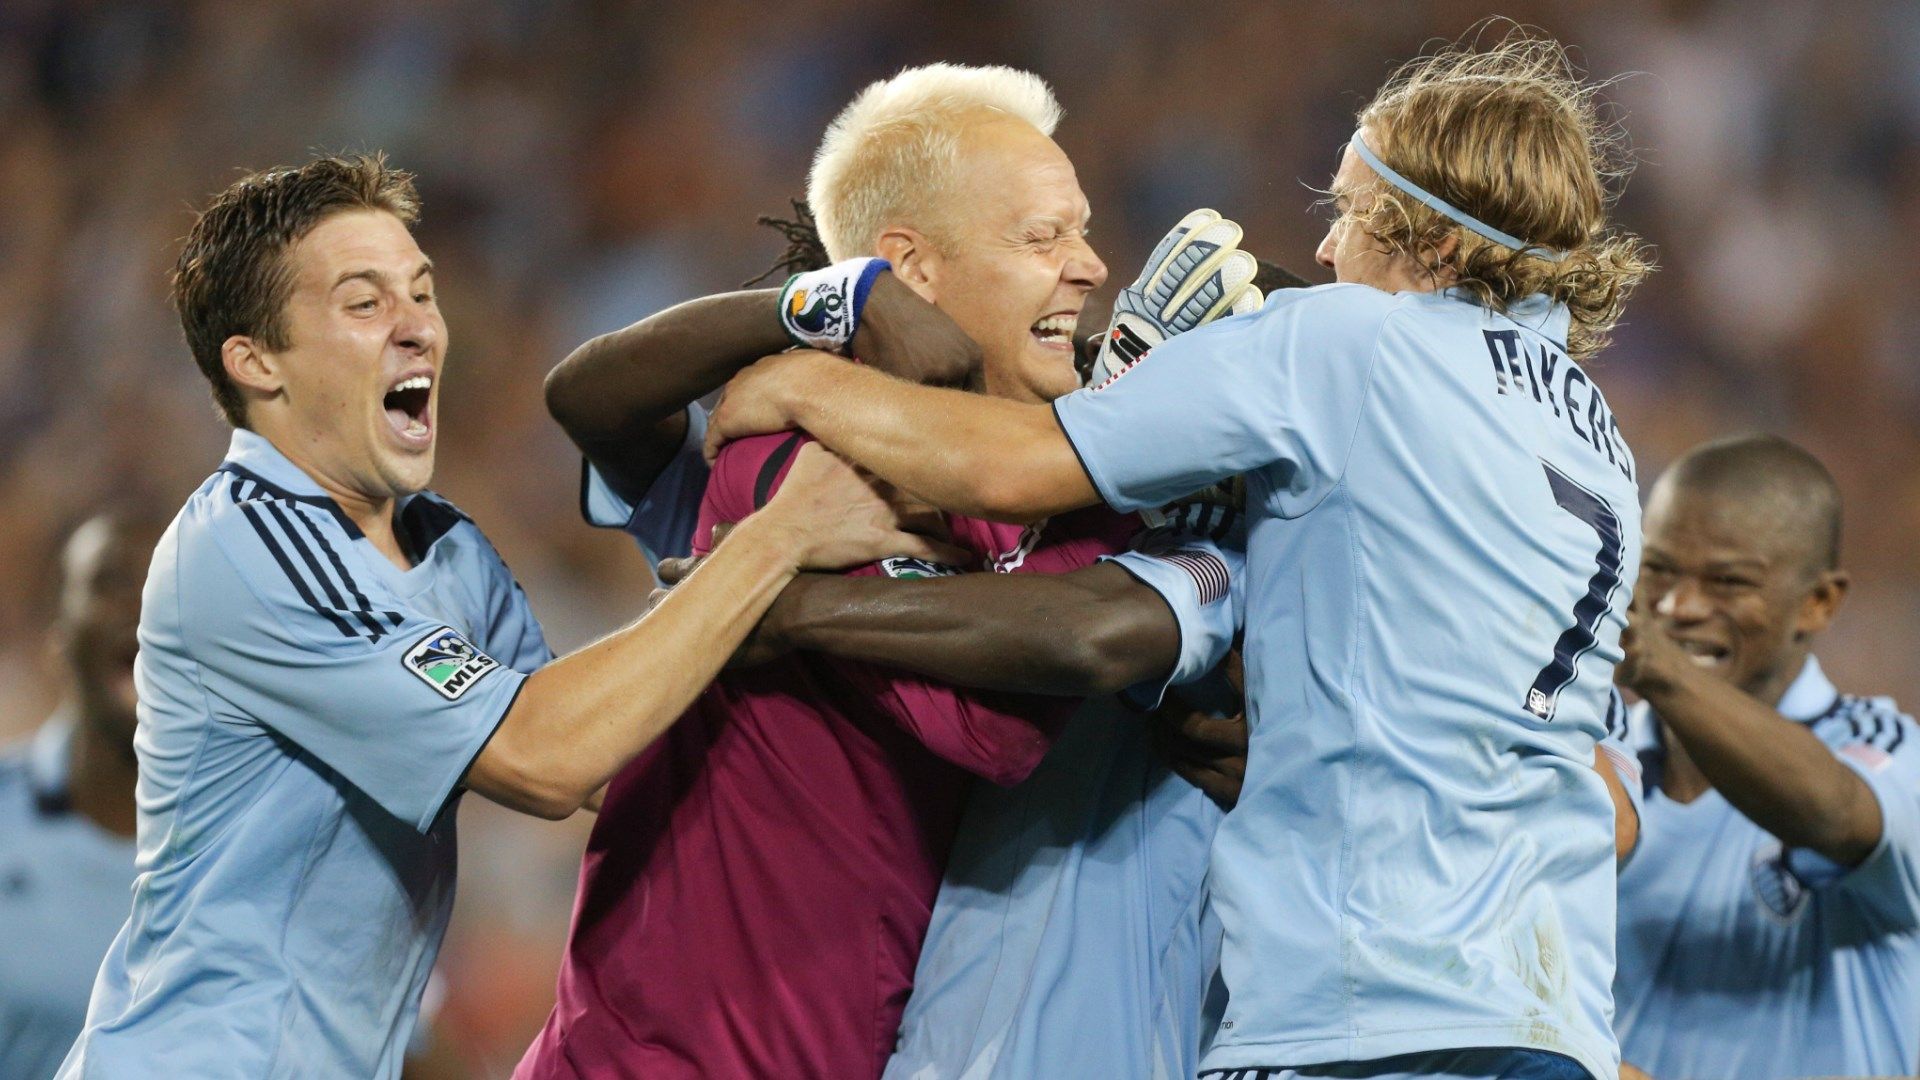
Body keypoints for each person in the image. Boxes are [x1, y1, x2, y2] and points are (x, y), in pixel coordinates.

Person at [705, 29, 1654, 1080]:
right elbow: (1594, 796)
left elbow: (1010, 470)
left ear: (1425, 237)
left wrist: (806, 383)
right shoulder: (1599, 439)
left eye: (1348, 209)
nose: (1327, 252)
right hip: (1551, 1014)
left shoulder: (1344, 341)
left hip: (1367, 1013)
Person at [55, 154, 934, 1080]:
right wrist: (775, 540)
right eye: (364, 303)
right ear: (257, 362)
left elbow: (610, 755)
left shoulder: (440, 542)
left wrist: (806, 625)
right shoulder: (250, 544)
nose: (418, 328)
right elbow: (543, 759)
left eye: (422, 292)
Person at [1612, 434, 1920, 1079]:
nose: (1677, 607)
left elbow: (1838, 814)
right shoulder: (1597, 767)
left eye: (1727, 581)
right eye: (1658, 569)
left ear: (1818, 602)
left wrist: (1655, 662)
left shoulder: (1888, 749)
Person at [0, 513, 155, 1080]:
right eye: (110, 582)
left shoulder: (270, 841)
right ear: (58, 640)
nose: (143, 605)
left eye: (168, 581)